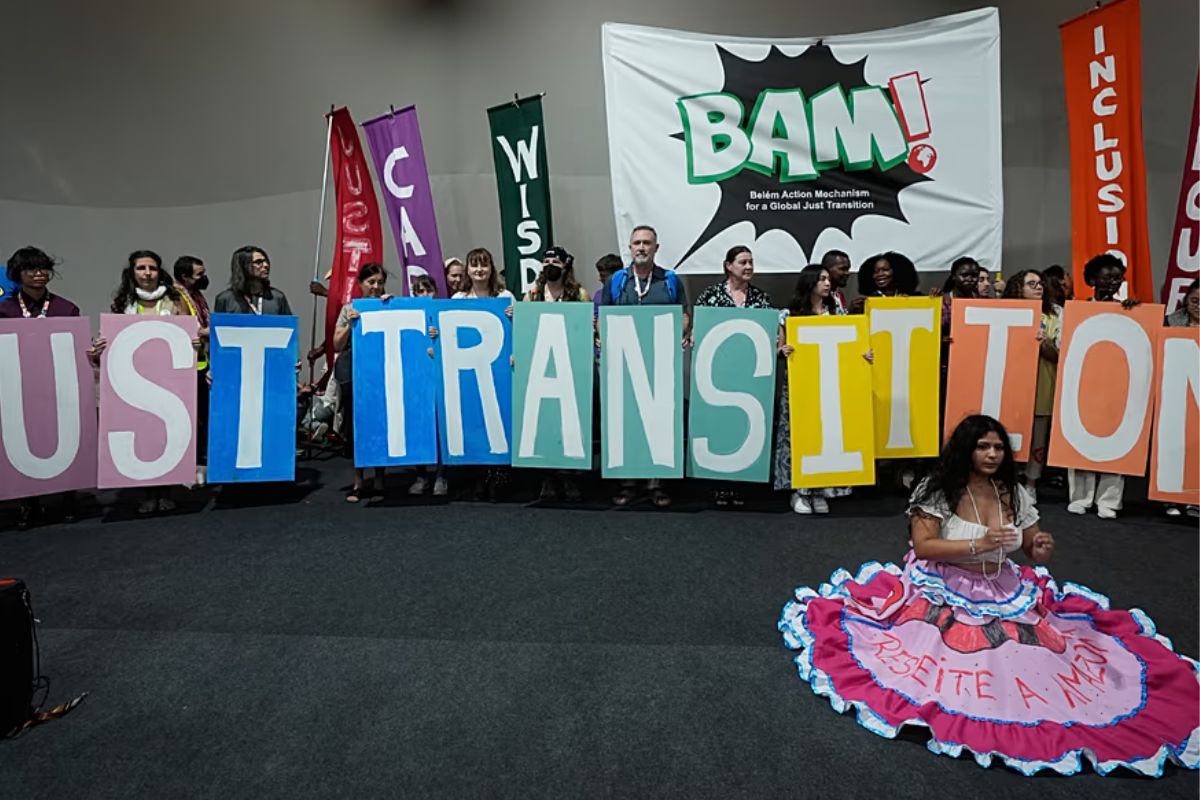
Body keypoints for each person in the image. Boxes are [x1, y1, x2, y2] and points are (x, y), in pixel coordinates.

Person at [778, 414, 1199, 777]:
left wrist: (1040, 547)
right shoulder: (938, 488)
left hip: (1002, 587)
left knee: (1046, 659)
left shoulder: (1014, 493)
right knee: (965, 662)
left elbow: (1032, 543)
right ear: (967, 450)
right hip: (943, 585)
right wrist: (979, 544)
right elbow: (924, 547)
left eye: (998, 447)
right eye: (983, 446)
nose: (993, 454)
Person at [1, 246, 103, 530]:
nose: (38, 274)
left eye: (43, 268)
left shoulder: (65, 308)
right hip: (17, 388)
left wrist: (92, 351)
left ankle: (68, 496)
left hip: (61, 384)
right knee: (22, 440)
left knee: (66, 435)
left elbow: (79, 348)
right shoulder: (4, 310)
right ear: (17, 274)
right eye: (31, 269)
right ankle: (27, 503)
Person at [598, 225, 690, 509]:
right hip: (624, 365)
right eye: (636, 243)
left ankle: (657, 483)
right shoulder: (617, 281)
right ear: (630, 247)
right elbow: (601, 316)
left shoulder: (670, 280)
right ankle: (628, 482)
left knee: (661, 421)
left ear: (656, 248)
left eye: (647, 243)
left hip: (660, 364)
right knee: (626, 421)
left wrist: (679, 334)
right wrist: (603, 337)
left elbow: (685, 315)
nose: (641, 247)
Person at [774, 264, 868, 514]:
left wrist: (863, 355)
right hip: (801, 384)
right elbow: (779, 348)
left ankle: (822, 489)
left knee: (828, 433)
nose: (827, 283)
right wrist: (783, 351)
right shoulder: (789, 315)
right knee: (802, 434)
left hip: (831, 382)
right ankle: (800, 490)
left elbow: (851, 346)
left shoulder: (837, 313)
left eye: (828, 279)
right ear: (810, 283)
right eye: (822, 279)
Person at [112, 250, 199, 514]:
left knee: (169, 433)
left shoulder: (175, 299)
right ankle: (148, 494)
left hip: (170, 379)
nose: (147, 273)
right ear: (132, 272)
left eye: (152, 268)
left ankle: (167, 491)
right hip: (135, 380)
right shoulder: (122, 302)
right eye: (141, 268)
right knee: (144, 434)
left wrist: (194, 341)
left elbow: (189, 330)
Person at [694, 245, 773, 507]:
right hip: (717, 374)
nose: (749, 267)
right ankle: (719, 483)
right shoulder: (710, 296)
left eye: (751, 262)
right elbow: (699, 331)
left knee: (744, 428)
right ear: (728, 265)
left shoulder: (761, 298)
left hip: (749, 376)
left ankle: (741, 481)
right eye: (743, 262)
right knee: (720, 425)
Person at [1067, 254, 1139, 519]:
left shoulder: (1129, 310)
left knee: (1118, 442)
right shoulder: (1076, 310)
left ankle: (1108, 500)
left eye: (1117, 277)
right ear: (1091, 280)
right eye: (1106, 277)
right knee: (1078, 439)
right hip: (1082, 383)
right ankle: (1080, 497)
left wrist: (1136, 313)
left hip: (1117, 385)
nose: (1112, 282)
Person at [522, 246, 590, 502]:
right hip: (542, 365)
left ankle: (568, 474)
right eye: (546, 260)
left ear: (565, 265)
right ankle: (547, 476)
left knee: (569, 421)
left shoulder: (578, 293)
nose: (550, 264)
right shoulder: (534, 294)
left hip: (570, 364)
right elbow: (526, 328)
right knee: (546, 421)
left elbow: (586, 326)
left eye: (555, 261)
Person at [449, 247, 515, 501]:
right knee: (474, 417)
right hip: (468, 372)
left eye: (484, 265)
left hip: (499, 370)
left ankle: (499, 478)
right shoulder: (458, 299)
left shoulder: (506, 296)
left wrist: (515, 318)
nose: (479, 270)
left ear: (491, 268)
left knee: (500, 417)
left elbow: (518, 331)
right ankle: (477, 478)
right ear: (467, 269)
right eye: (474, 265)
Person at [332, 263, 391, 504]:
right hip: (356, 373)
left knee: (380, 424)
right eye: (371, 282)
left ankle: (379, 479)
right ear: (360, 284)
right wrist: (350, 324)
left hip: (381, 372)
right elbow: (336, 344)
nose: (376, 287)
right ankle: (358, 480)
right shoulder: (349, 308)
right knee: (357, 425)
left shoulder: (388, 304)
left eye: (379, 282)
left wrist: (392, 306)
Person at [1003, 270, 1061, 502]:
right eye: (1031, 284)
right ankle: (1008, 480)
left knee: (1038, 436)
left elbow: (1058, 355)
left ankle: (1031, 482)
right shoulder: (1004, 312)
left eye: (1040, 283)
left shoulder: (1055, 314)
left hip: (1043, 385)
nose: (1039, 288)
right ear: (1019, 289)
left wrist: (1044, 343)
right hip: (1012, 387)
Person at [406, 275, 448, 498]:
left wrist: (438, 341)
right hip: (417, 379)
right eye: (419, 291)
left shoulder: (442, 312)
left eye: (428, 290)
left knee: (440, 427)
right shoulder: (407, 314)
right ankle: (421, 475)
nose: (424, 295)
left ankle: (441, 475)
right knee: (420, 427)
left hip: (438, 377)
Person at [173, 256, 211, 485]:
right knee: (192, 418)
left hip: (202, 361)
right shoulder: (177, 297)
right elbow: (189, 328)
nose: (204, 278)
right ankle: (191, 465)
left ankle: (202, 463)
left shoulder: (198, 295)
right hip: (187, 364)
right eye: (199, 274)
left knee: (204, 416)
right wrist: (210, 329)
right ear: (185, 277)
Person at [1162, 278, 1198, 518]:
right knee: (1172, 446)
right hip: (1173, 394)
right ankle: (1170, 498)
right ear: (1186, 300)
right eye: (1194, 300)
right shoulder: (1171, 321)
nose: (1198, 306)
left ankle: (1195, 497)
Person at [214, 246, 293, 315]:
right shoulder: (225, 299)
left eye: (266, 261)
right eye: (258, 262)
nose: (266, 265)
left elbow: (289, 328)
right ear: (244, 266)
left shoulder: (277, 297)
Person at [848, 251, 920, 313]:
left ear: (897, 271)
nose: (880, 274)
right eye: (875, 271)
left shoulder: (915, 297)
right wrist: (852, 311)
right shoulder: (865, 302)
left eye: (885, 270)